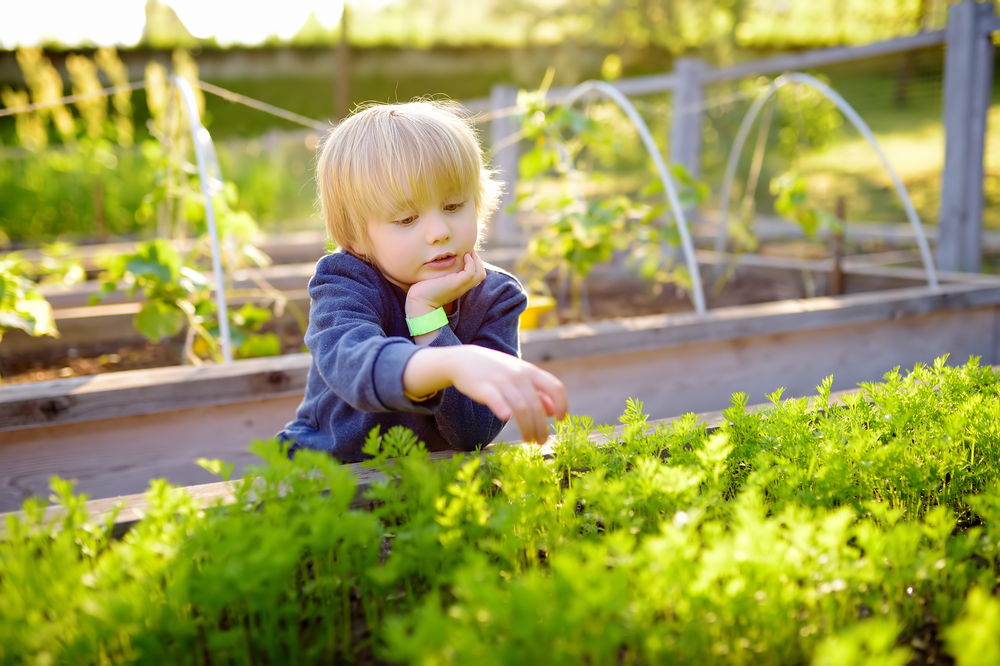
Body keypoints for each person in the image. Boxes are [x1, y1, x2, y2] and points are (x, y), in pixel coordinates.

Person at [278, 100, 569, 462]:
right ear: (355, 238)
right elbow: (352, 366)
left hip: (433, 486)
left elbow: (473, 432)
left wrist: (428, 319)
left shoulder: (496, 297)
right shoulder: (345, 282)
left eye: (452, 207)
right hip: (326, 475)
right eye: (406, 219)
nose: (438, 232)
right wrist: (452, 363)